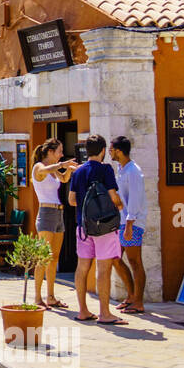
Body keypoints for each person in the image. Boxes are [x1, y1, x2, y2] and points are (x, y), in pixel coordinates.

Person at [68, 135, 125, 325]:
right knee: (104, 269)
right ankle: (105, 313)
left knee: (82, 267)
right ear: (102, 151)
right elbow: (113, 196)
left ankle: (83, 310)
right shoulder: (106, 170)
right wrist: (119, 205)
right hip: (105, 227)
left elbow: (71, 200)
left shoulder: (78, 172)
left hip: (84, 226)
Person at [31, 138, 78, 309]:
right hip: (46, 213)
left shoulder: (54, 170)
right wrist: (62, 164)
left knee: (54, 257)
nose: (62, 154)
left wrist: (70, 170)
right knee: (43, 257)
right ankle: (37, 297)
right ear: (50, 152)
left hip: (59, 212)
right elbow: (45, 169)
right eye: (59, 151)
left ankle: (50, 296)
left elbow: (64, 179)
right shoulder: (39, 167)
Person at [109, 136, 147, 314]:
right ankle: (131, 296)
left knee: (134, 261)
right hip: (121, 222)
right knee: (115, 259)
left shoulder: (133, 171)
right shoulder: (121, 169)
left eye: (111, 149)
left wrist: (130, 224)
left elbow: (136, 198)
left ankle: (138, 302)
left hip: (132, 222)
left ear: (118, 151)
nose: (109, 152)